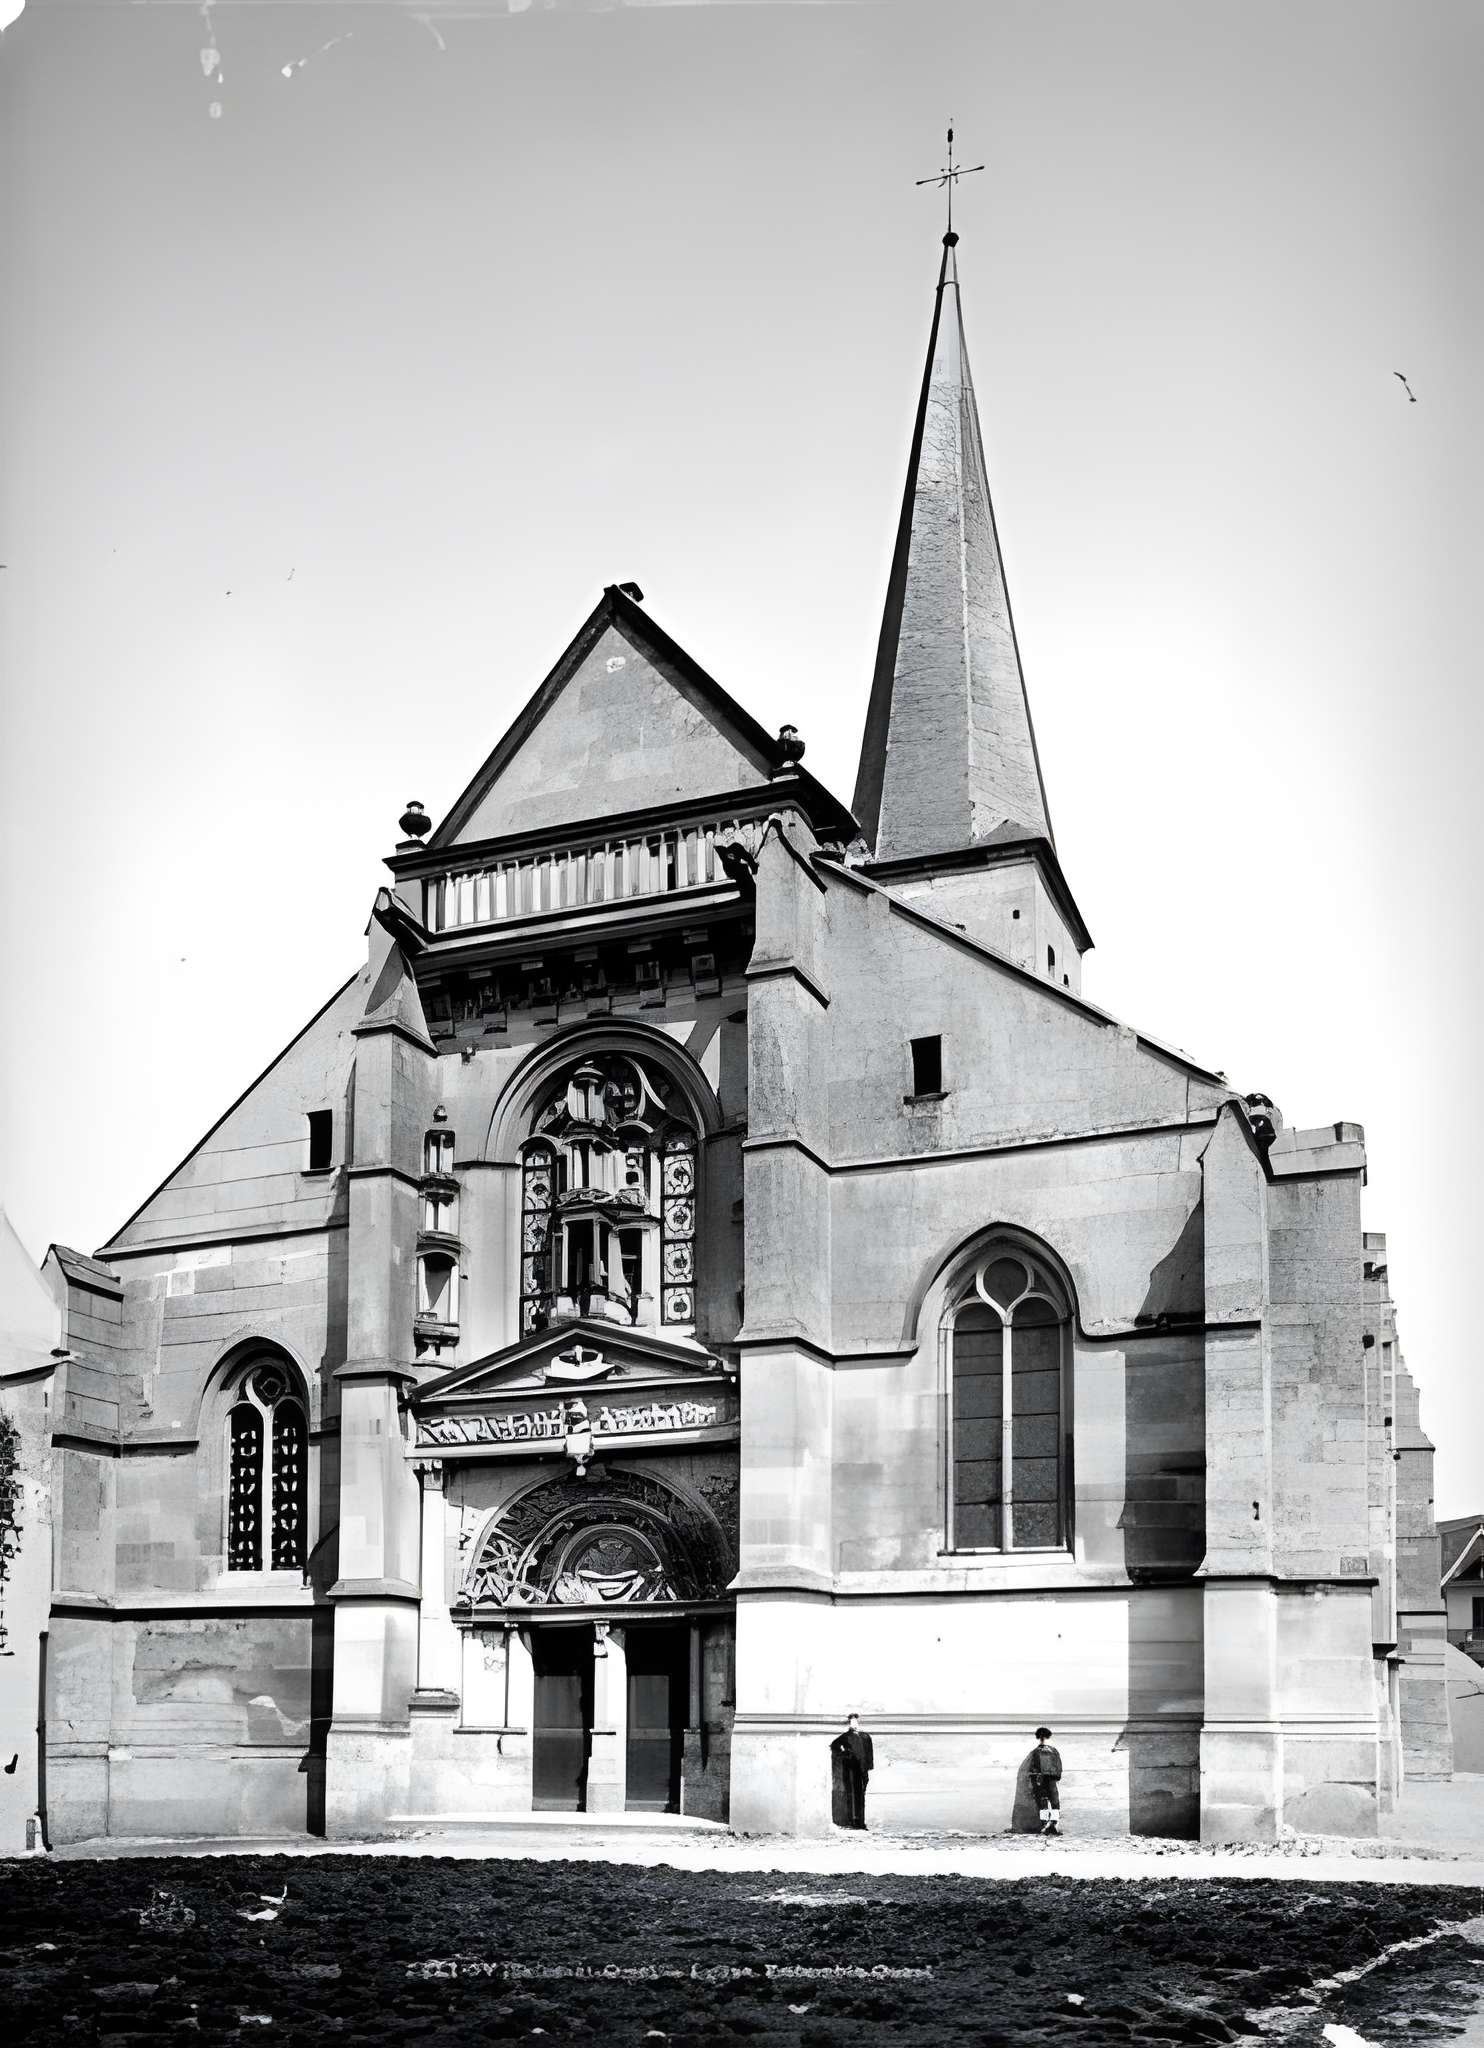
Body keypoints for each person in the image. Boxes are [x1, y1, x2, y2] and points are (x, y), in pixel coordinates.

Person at [830, 1713, 874, 1830]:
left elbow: (869, 1753)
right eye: (851, 1722)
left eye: (855, 1721)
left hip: (862, 1770)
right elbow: (834, 1746)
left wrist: (869, 1766)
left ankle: (860, 1820)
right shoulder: (845, 1737)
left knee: (861, 1795)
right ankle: (853, 1820)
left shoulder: (865, 1737)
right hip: (851, 1771)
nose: (854, 1724)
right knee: (852, 1794)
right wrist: (845, 1755)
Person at [1027, 1725, 1062, 1835]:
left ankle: (1054, 1823)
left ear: (1047, 1737)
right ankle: (1045, 1823)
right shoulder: (1035, 1752)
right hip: (1040, 1779)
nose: (1043, 1738)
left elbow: (1058, 1764)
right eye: (1041, 1737)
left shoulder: (1053, 1751)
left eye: (1044, 1736)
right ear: (1039, 1738)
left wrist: (1056, 1776)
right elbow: (1032, 1767)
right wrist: (1036, 1776)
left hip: (1051, 1778)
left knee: (1054, 1801)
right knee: (1043, 1802)